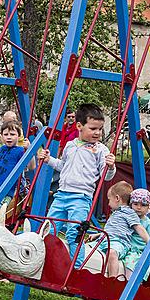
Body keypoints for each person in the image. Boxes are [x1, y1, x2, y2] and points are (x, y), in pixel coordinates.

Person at [37, 103, 117, 261]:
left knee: (75, 232)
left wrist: (111, 166)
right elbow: (63, 166)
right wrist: (48, 160)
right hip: (61, 195)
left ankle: (76, 267)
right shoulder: (70, 145)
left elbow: (105, 176)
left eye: (100, 129)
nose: (97, 133)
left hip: (81, 197)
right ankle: (45, 260)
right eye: (93, 128)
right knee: (48, 229)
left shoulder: (101, 150)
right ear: (79, 126)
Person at [86, 181, 149, 278]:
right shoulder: (116, 212)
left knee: (111, 253)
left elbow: (139, 227)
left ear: (117, 198)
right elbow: (112, 230)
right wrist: (98, 235)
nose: (108, 203)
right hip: (104, 239)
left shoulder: (129, 213)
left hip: (119, 242)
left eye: (109, 199)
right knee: (85, 247)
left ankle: (112, 279)